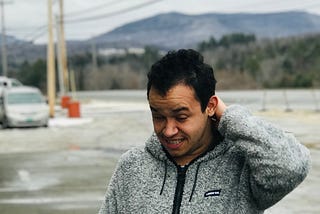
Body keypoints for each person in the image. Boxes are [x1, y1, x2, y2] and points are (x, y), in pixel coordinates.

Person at [99, 49, 311, 214]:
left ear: (210, 107)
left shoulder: (242, 165)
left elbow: (292, 166)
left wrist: (229, 118)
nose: (168, 130)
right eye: (158, 116)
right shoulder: (132, 166)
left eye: (181, 117)